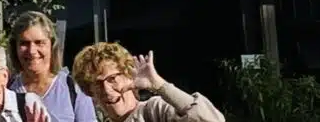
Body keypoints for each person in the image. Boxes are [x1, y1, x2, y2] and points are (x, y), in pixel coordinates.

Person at [71, 44, 225, 122]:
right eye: (97, 84)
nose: (106, 89)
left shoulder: (154, 110)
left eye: (112, 79)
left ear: (128, 75)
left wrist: (159, 85)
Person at [7, 12, 96, 122]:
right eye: (24, 43)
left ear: (52, 45)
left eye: (39, 42)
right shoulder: (8, 91)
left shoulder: (73, 89)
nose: (32, 51)